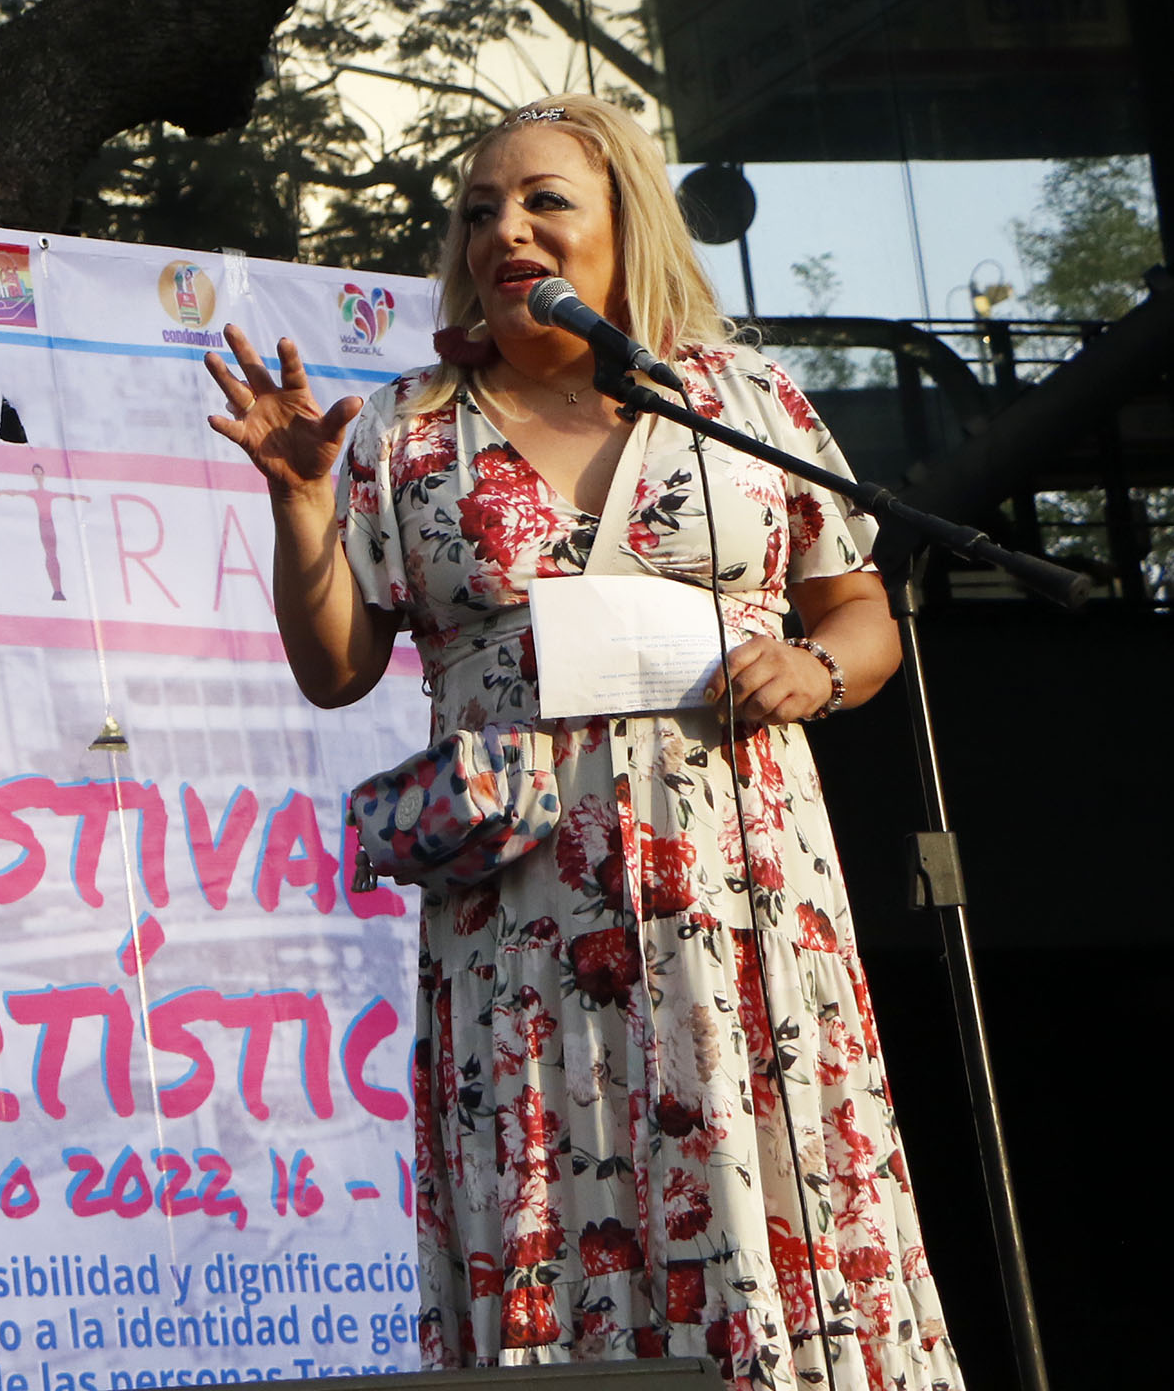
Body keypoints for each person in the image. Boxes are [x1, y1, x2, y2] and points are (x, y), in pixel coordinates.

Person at [204, 95, 961, 1391]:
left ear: (623, 223)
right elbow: (335, 669)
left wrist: (819, 667)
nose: (510, 230)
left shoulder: (742, 401)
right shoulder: (408, 428)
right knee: (555, 1184)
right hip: (526, 910)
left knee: (756, 1164)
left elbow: (857, 607)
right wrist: (300, 506)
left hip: (738, 887)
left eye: (545, 200)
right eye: (480, 211)